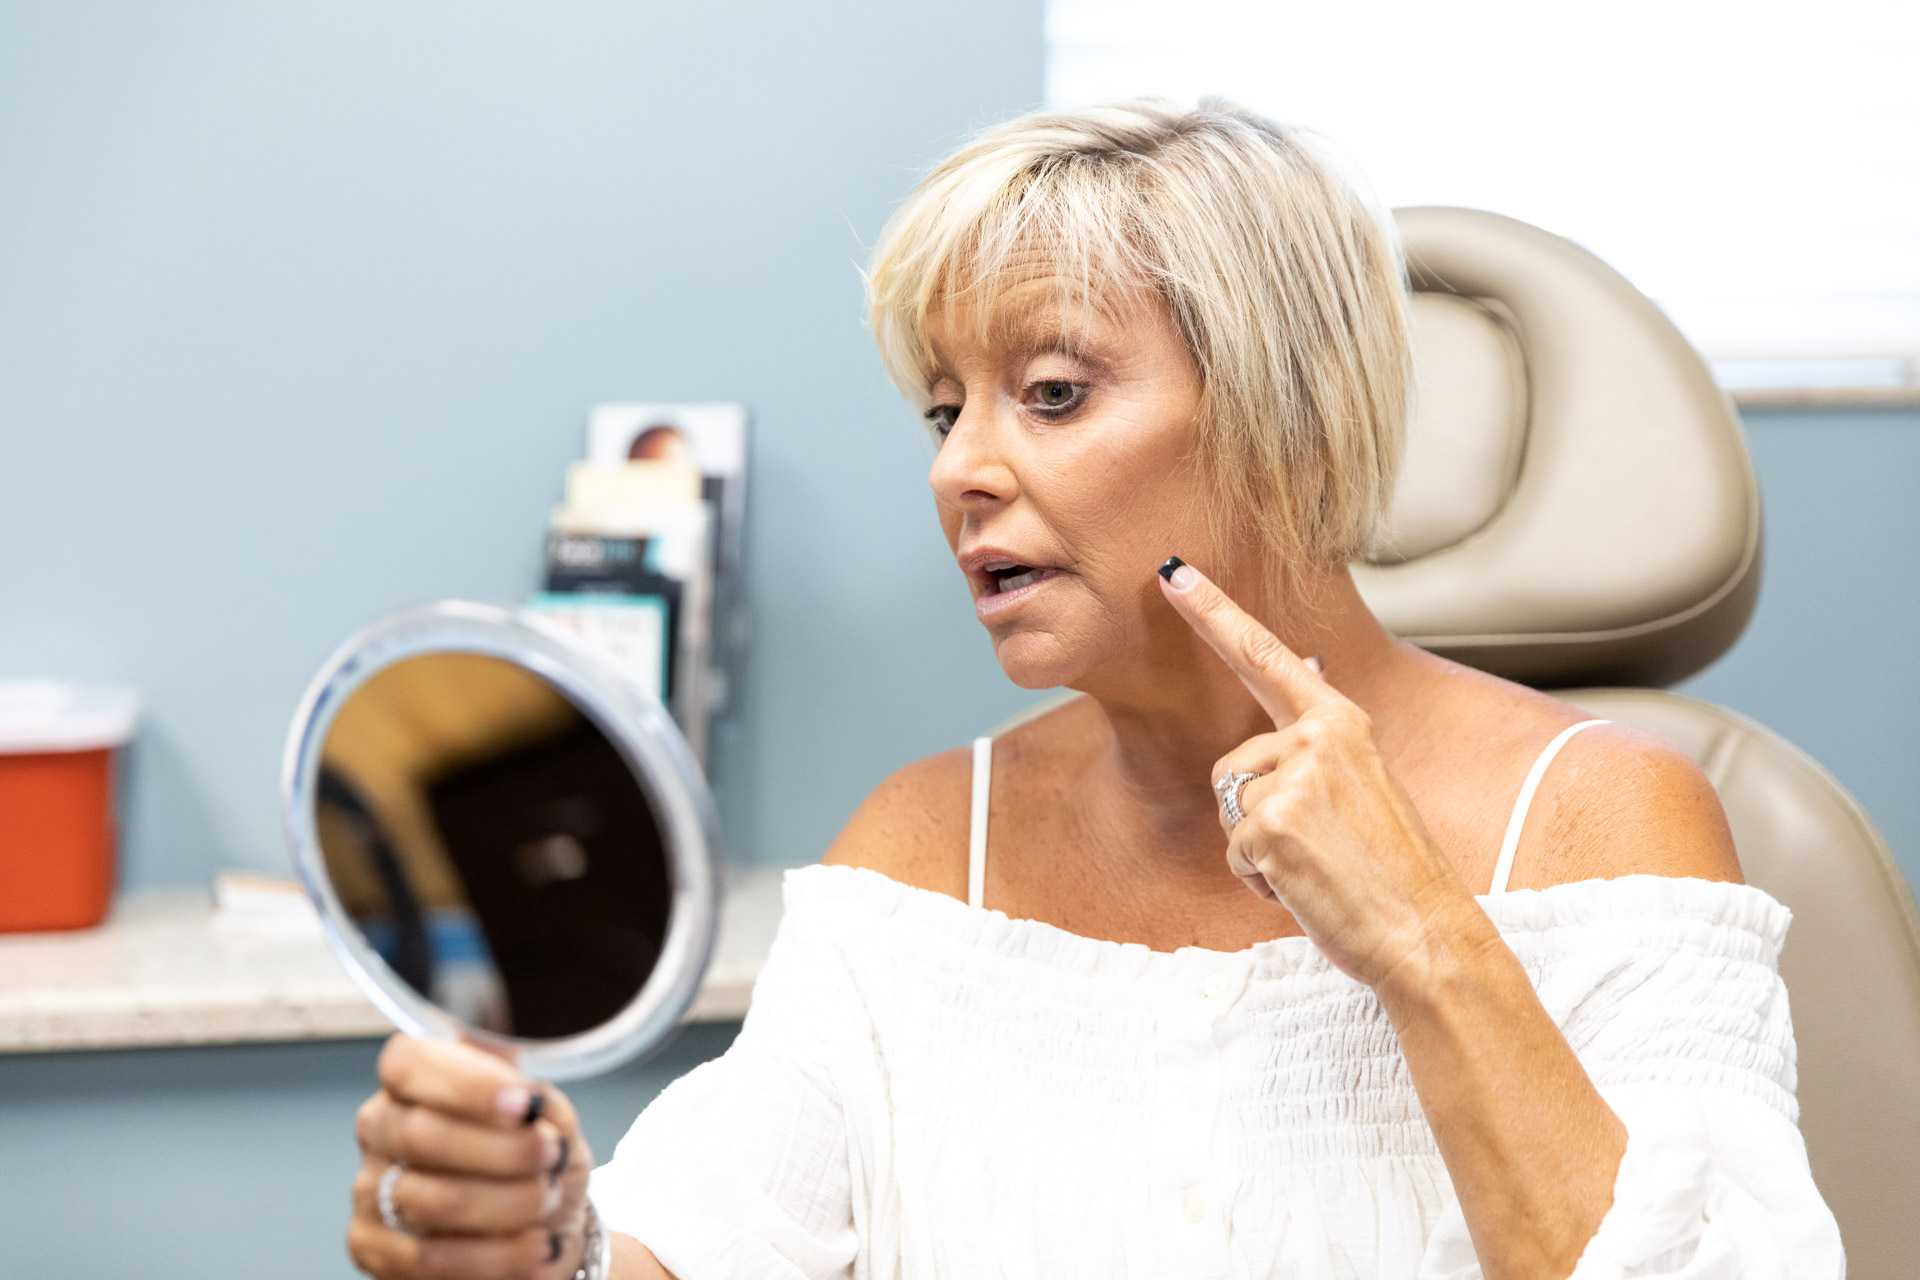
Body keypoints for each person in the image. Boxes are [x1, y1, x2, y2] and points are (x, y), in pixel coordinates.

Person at [344, 99, 1842, 1280]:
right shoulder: (928, 855)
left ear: (1291, 417)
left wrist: (1424, 942)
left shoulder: (1602, 824)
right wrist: (529, 1245)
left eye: (1053, 393)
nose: (959, 470)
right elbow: (693, 1242)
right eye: (946, 408)